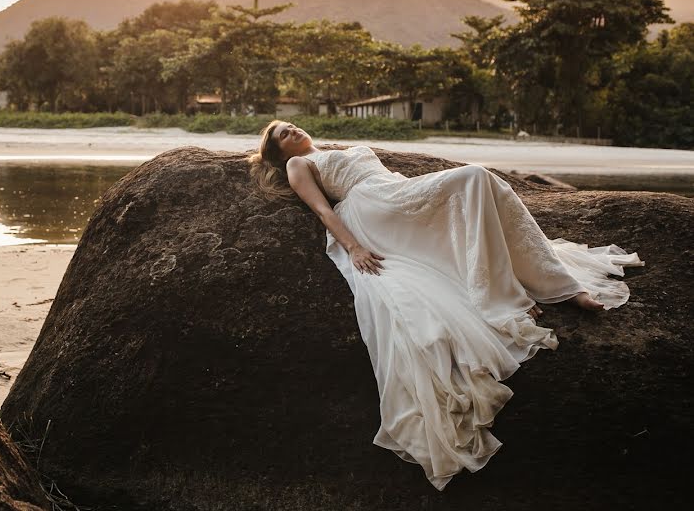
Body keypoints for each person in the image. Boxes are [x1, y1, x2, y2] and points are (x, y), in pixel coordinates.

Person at [247, 119, 643, 490]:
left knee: (487, 185)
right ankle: (509, 298)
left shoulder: (337, 148)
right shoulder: (300, 163)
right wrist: (353, 246)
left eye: (290, 125)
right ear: (279, 153)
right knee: (473, 176)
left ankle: (560, 282)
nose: (291, 130)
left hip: (393, 192)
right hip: (373, 209)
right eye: (282, 133)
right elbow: (322, 209)